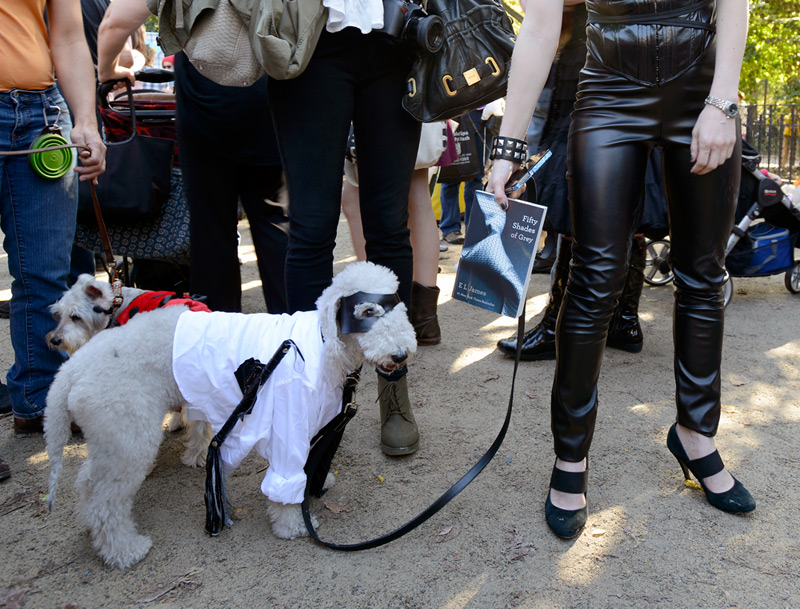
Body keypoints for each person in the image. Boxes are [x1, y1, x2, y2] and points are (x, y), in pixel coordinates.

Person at [488, 0, 755, 538]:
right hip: (608, 93)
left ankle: (696, 434)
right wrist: (508, 147)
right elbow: (539, 28)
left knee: (702, 276)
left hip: (703, 87)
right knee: (593, 280)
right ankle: (570, 456)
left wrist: (723, 103)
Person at [268, 6, 422, 456]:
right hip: (310, 40)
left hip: (395, 39)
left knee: (389, 226)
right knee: (312, 228)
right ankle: (308, 393)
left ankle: (393, 387)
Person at [97, 0, 289, 314]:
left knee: (211, 229)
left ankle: (215, 338)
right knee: (276, 222)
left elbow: (114, 23)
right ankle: (294, 335)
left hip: (207, 106)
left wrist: (110, 70)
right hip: (269, 97)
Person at [1, 0, 106, 433]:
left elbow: (66, 35)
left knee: (46, 274)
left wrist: (85, 119)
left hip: (39, 116)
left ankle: (42, 402)